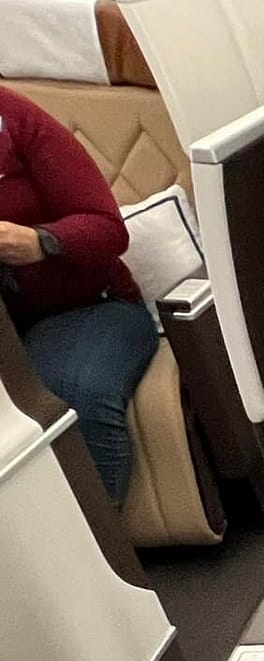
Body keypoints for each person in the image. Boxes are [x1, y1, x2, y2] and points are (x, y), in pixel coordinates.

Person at [0, 86, 157, 506]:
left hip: (87, 308)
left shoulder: (14, 118)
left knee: (71, 395)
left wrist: (41, 242)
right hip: (9, 332)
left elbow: (108, 229)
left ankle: (99, 541)